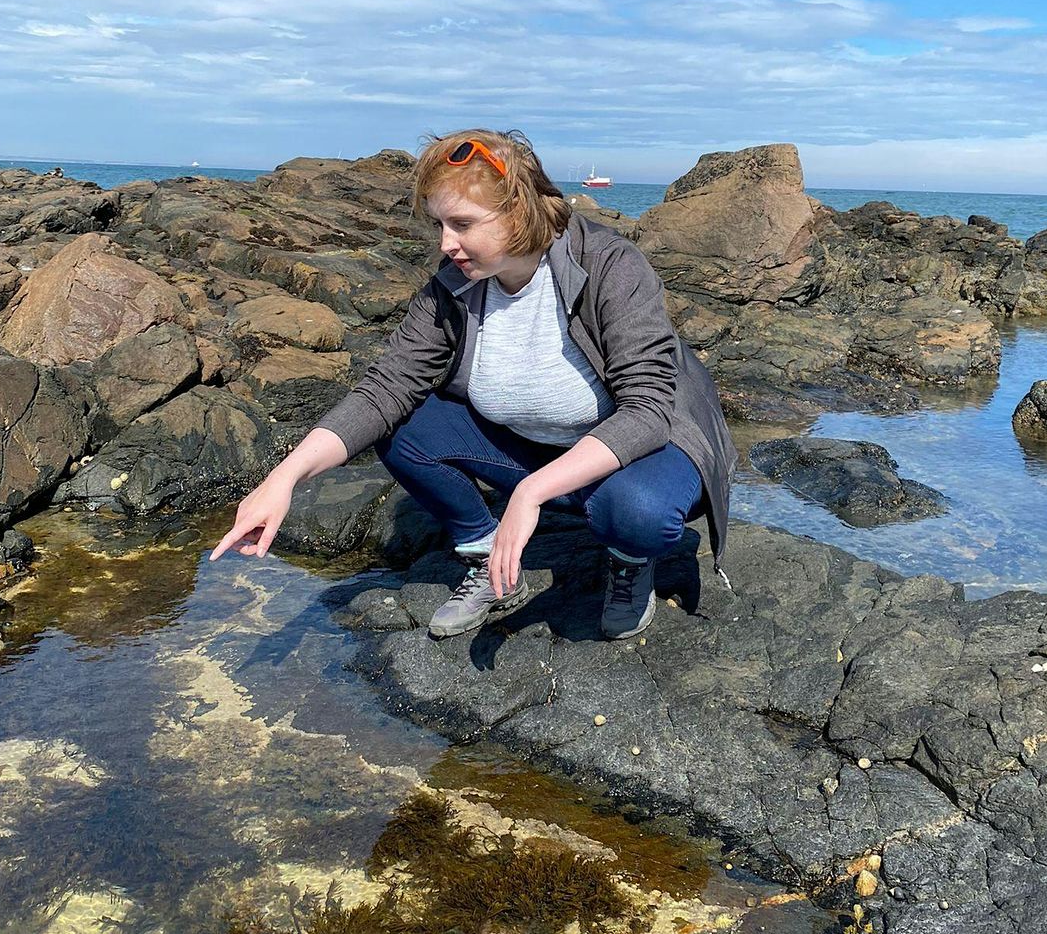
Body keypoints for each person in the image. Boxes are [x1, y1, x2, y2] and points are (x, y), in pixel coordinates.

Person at [211, 129, 737, 641]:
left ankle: (628, 560)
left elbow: (647, 409)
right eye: (440, 223)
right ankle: (487, 556)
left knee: (636, 513)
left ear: (520, 212)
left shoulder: (609, 266)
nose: (446, 243)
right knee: (403, 424)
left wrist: (530, 494)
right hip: (540, 451)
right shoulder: (455, 285)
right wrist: (284, 477)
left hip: (648, 450)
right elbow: (383, 389)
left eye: (462, 223)